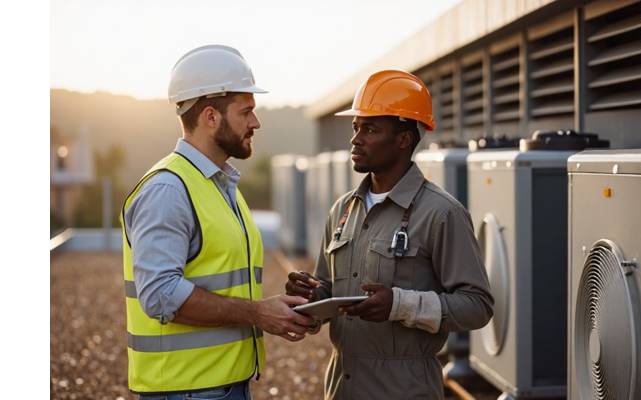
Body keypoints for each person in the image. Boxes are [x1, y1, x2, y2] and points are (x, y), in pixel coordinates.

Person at [120, 45, 315, 400]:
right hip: (186, 391)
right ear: (211, 116)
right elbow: (161, 296)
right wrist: (258, 313)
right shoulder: (168, 189)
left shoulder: (221, 186)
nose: (256, 123)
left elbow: (224, 282)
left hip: (223, 386)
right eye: (247, 112)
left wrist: (275, 306)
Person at [285, 70, 494, 399]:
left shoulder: (441, 214)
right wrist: (310, 297)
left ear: (403, 139)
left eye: (370, 129)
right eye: (356, 128)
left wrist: (400, 305)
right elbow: (328, 288)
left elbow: (477, 306)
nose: (355, 139)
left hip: (405, 388)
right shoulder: (343, 210)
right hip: (342, 386)